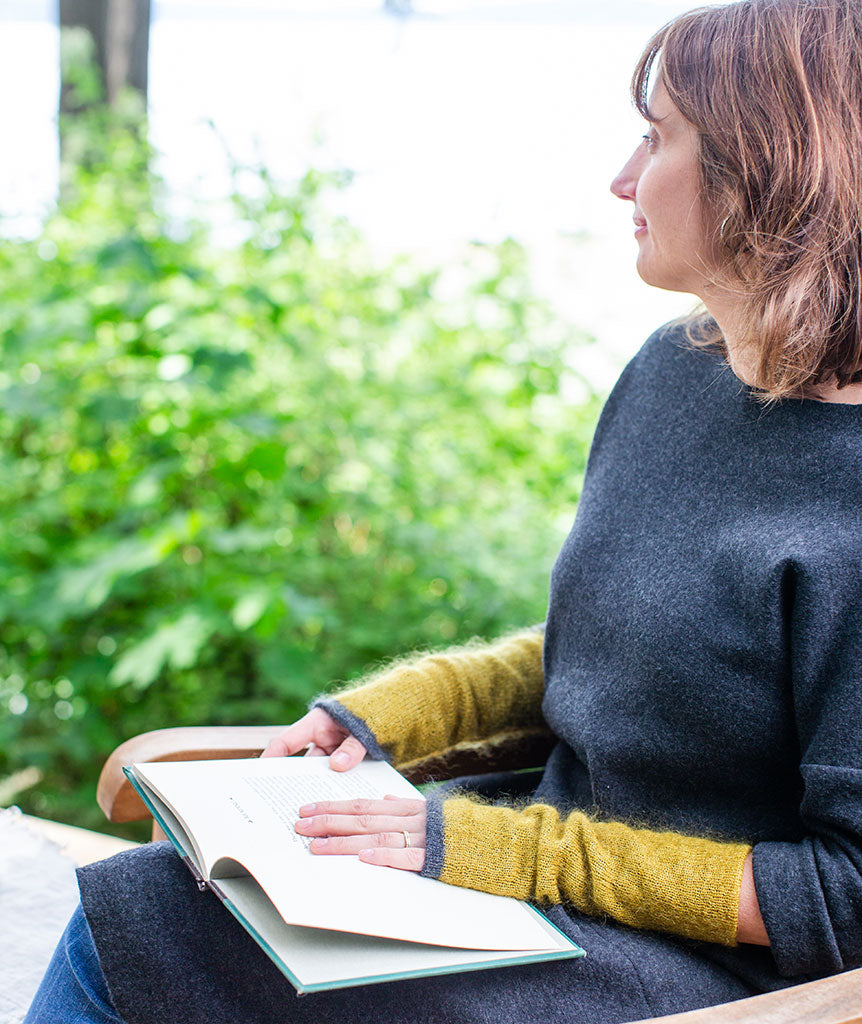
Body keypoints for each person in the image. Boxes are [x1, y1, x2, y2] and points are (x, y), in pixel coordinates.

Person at [24, 1, 862, 1022]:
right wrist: (398, 716)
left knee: (154, 920)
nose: (619, 176)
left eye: (657, 135)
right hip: (541, 889)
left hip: (710, 981)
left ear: (769, 168)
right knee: (179, 895)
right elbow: (626, 650)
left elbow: (842, 900)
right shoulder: (673, 375)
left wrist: (478, 848)